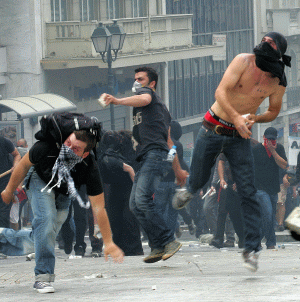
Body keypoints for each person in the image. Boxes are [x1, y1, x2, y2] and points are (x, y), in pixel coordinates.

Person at [172, 31, 291, 272]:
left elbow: (274, 110)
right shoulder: (243, 61)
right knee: (200, 176)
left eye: (270, 43)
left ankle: (251, 248)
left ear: (277, 52)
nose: (264, 44)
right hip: (214, 126)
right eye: (264, 40)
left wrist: (255, 118)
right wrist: (235, 117)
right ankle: (191, 189)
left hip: (239, 137)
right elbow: (220, 92)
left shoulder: (277, 80)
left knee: (248, 190)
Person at [0, 129, 124, 294]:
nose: (68, 150)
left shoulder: (89, 167)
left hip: (63, 191)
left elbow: (99, 207)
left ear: (84, 155)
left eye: (75, 149)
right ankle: (43, 276)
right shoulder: (47, 147)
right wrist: (9, 190)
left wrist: (108, 242)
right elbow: (23, 164)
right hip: (38, 178)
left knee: (43, 236)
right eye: (68, 144)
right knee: (46, 220)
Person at [103, 66, 188, 263]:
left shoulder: (148, 96)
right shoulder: (159, 111)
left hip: (154, 155)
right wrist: (177, 170)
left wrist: (116, 100)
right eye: (135, 79)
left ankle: (168, 240)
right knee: (134, 205)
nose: (136, 83)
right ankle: (158, 246)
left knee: (141, 200)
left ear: (152, 83)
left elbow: (145, 98)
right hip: (150, 157)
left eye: (140, 79)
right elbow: (170, 143)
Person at [97, 130, 143, 256]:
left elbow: (129, 168)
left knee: (121, 218)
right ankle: (130, 248)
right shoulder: (123, 152)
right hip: (123, 187)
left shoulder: (113, 154)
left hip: (120, 187)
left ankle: (126, 247)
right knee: (124, 218)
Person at [253, 127, 287, 249]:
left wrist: (273, 151)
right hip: (260, 188)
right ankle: (271, 243)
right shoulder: (256, 149)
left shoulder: (279, 148)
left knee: (270, 217)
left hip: (273, 188)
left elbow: (284, 164)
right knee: (267, 213)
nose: (271, 141)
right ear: (264, 138)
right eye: (269, 139)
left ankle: (256, 241)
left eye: (273, 139)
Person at [0, 136, 21, 228]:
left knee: (3, 213)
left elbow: (16, 155)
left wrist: (15, 165)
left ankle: (3, 239)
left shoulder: (3, 141)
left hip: (4, 181)